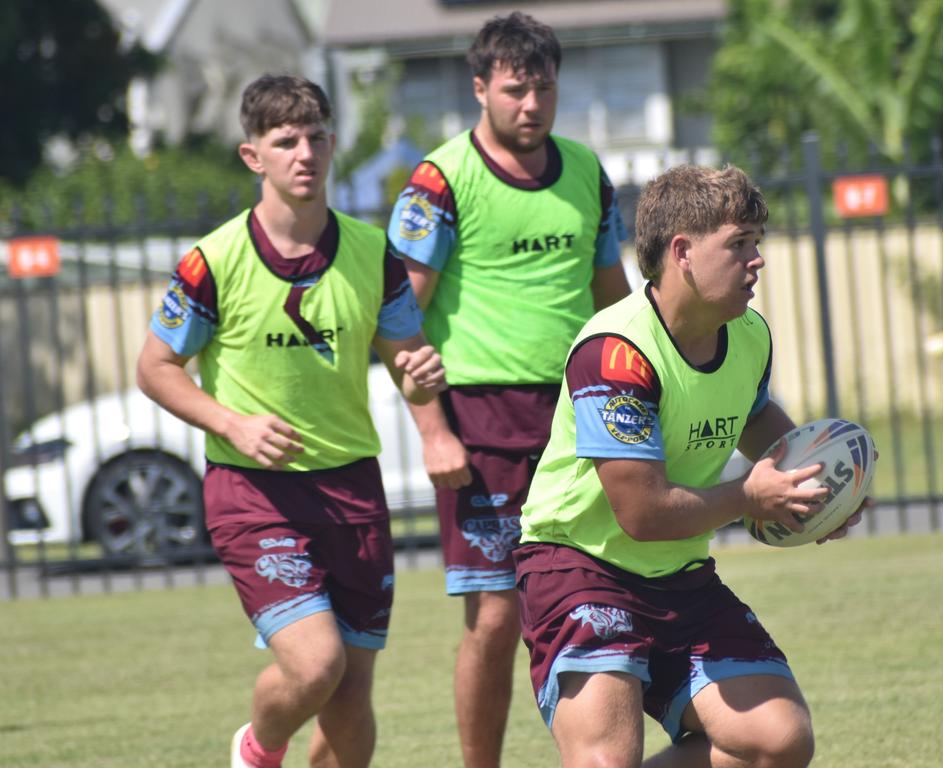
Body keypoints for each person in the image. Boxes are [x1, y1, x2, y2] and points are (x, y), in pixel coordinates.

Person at [513, 164, 872, 768]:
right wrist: (749, 498)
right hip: (580, 568)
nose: (756, 260)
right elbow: (642, 511)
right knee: (607, 759)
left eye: (757, 242)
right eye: (738, 244)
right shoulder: (618, 353)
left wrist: (821, 485)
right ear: (681, 251)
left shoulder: (749, 334)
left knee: (778, 743)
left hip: (679, 575)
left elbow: (754, 417)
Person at [136, 74, 446, 768]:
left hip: (353, 491)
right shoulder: (213, 261)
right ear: (254, 157)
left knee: (349, 694)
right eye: (284, 141)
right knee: (315, 665)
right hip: (255, 491)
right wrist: (233, 423)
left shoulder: (375, 255)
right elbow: (154, 367)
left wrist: (422, 381)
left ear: (333, 143)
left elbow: (408, 361)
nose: (303, 153)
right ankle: (258, 748)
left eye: (314, 138)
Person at [384, 11, 632, 768]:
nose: (532, 105)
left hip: (574, 421)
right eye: (516, 90)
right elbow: (395, 314)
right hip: (480, 424)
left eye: (545, 89)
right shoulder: (439, 181)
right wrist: (433, 430)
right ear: (480, 88)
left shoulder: (588, 172)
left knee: (599, 604)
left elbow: (615, 304)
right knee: (495, 617)